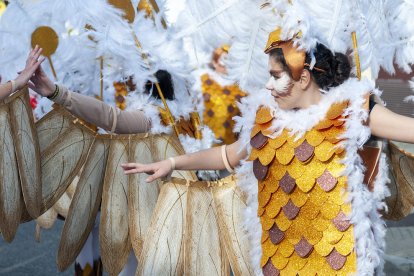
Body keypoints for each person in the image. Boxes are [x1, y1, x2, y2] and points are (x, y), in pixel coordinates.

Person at [121, 28, 414, 275]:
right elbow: (228, 156)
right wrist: (172, 163)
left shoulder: (352, 112)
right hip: (280, 259)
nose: (267, 85)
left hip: (341, 261)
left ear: (303, 79)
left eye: (275, 76)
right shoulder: (265, 118)